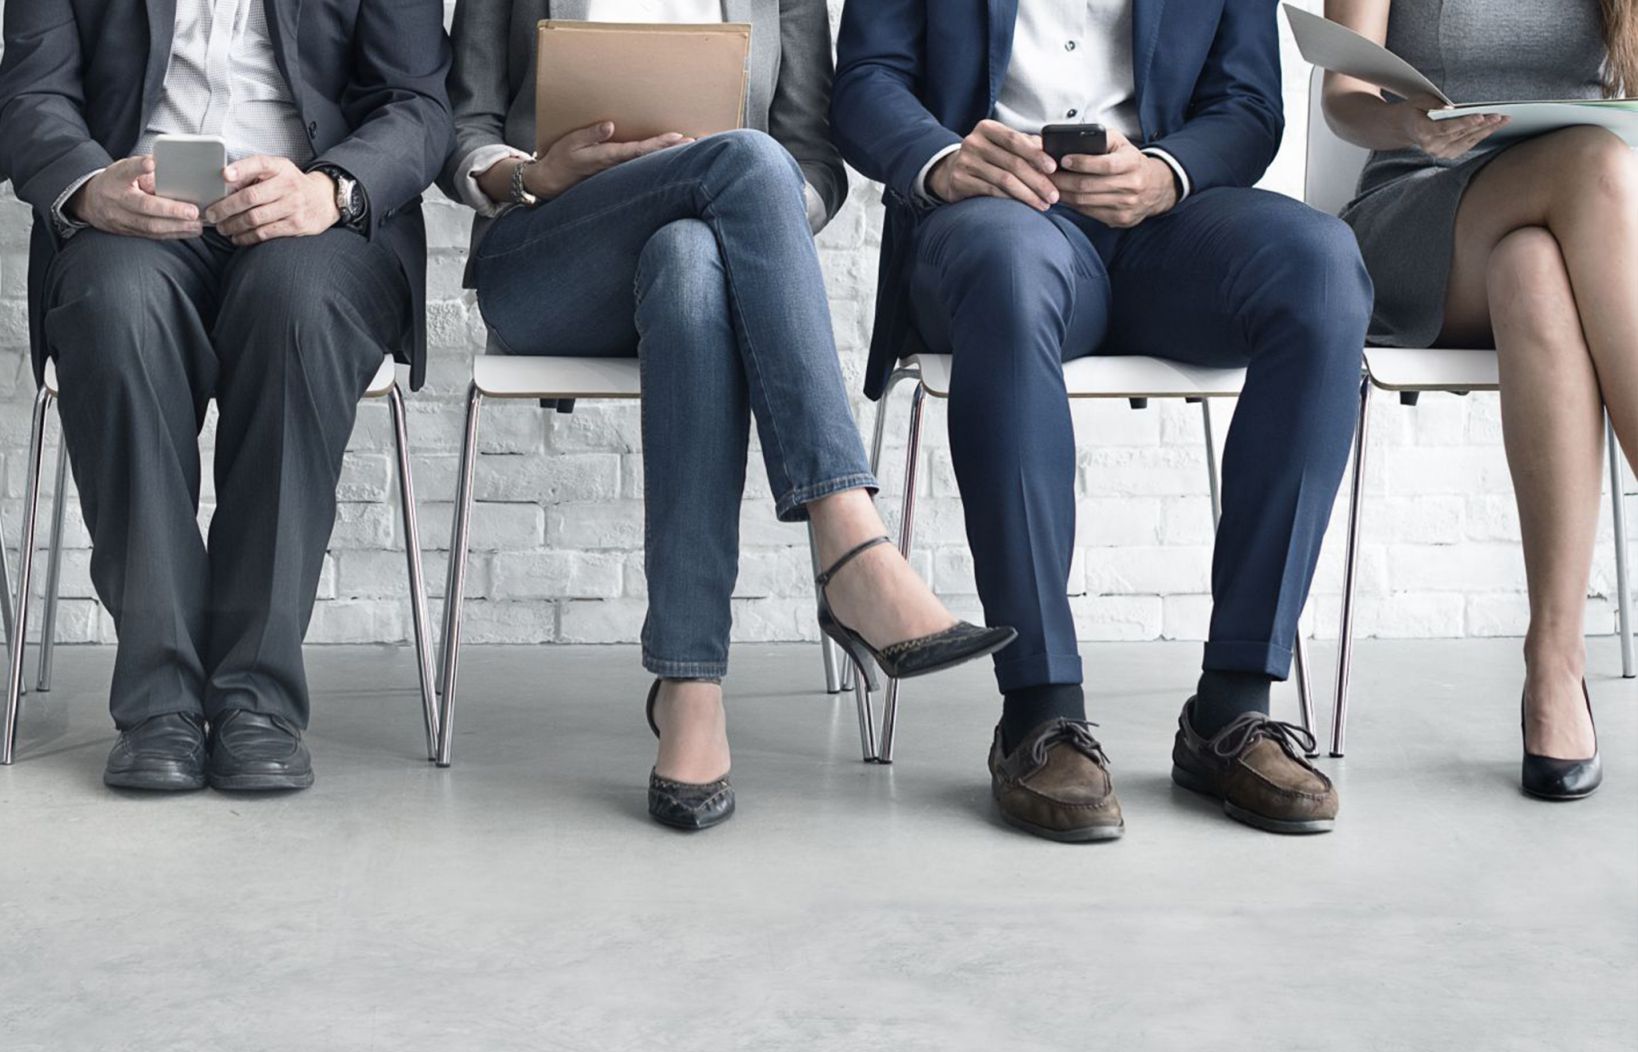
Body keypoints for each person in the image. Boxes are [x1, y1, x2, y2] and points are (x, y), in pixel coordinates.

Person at [442, 0, 1014, 831]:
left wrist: (753, 218)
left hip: (707, 259)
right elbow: (464, 130)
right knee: (746, 160)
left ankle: (690, 686)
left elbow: (814, 164)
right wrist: (534, 173)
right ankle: (850, 543)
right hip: (547, 257)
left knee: (691, 260)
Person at [831, 0, 1374, 841]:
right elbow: (865, 82)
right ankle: (1040, 713)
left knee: (1321, 269)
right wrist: (944, 160)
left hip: (1167, 232)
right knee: (1010, 272)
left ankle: (1233, 707)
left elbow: (1249, 104)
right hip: (994, 222)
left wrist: (1164, 172)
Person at [0, 0, 454, 792]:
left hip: (314, 223)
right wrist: (86, 185)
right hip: (130, 220)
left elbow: (416, 101)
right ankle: (160, 705)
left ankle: (257, 702)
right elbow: (30, 93)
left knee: (295, 312)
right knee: (115, 312)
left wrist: (333, 189)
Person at [1324, 0, 1635, 800]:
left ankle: (1555, 666)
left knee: (1532, 269)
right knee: (1598, 164)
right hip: (1420, 205)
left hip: (1572, 227)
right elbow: (1344, 96)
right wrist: (1412, 127)